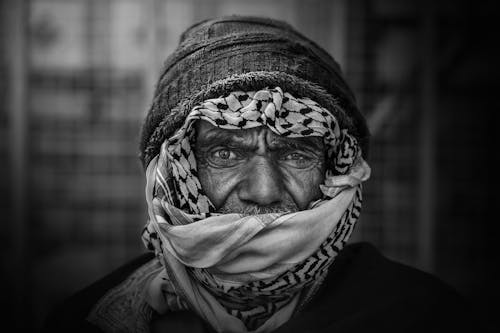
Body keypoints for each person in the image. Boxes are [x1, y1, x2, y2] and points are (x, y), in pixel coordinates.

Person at [43, 16, 483, 333]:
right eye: (225, 153)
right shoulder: (88, 320)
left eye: (295, 153)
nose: (264, 191)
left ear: (337, 171)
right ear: (176, 174)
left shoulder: (422, 318)